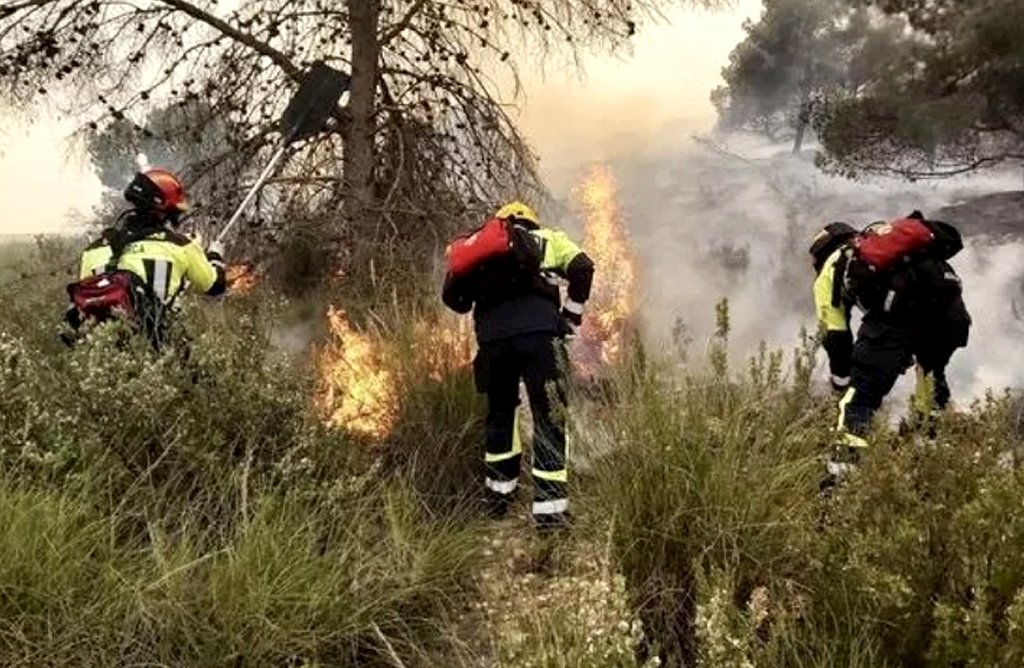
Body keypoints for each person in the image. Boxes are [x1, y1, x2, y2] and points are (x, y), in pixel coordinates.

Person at [442, 201, 595, 532]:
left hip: (493, 344)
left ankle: (498, 501)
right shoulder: (547, 240)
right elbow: (583, 267)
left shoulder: (480, 251)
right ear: (532, 223)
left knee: (500, 414)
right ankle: (550, 512)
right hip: (540, 337)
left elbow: (454, 300)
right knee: (549, 416)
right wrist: (570, 315)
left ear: (499, 225)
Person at [809, 212, 971, 485]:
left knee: (859, 399)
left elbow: (834, 334)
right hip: (951, 316)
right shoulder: (889, 245)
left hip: (900, 320)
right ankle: (928, 461)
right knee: (929, 377)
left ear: (822, 252)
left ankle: (840, 481)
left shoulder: (835, 265)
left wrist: (841, 383)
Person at [65, 167, 227, 350]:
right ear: (166, 211)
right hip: (162, 351)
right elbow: (214, 286)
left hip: (104, 357)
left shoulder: (93, 251)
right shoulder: (180, 246)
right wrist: (214, 255)